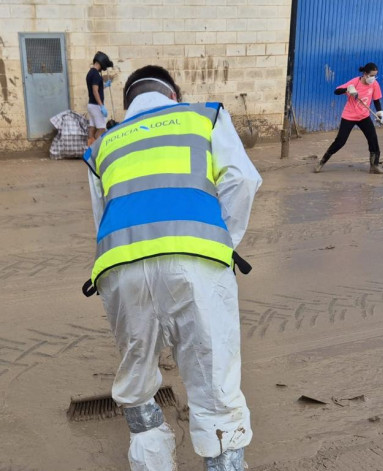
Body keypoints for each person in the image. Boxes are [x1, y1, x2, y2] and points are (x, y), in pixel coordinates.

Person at [82, 65, 261, 471]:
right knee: (215, 388)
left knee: (138, 387)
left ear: (127, 104)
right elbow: (241, 181)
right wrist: (222, 241)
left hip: (120, 268)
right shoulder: (204, 116)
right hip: (196, 263)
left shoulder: (102, 145)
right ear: (173, 94)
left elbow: (103, 219)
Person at [315, 62, 383, 174]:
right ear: (365, 74)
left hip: (364, 116)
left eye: (375, 76)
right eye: (371, 75)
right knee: (340, 141)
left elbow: (376, 100)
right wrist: (348, 89)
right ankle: (322, 162)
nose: (373, 78)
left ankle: (374, 166)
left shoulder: (375, 84)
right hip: (349, 116)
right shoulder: (355, 82)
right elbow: (336, 91)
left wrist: (379, 113)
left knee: (373, 139)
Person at [86, 51, 114, 146]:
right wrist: (101, 106)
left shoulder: (90, 73)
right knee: (101, 128)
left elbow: (97, 87)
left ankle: (89, 148)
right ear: (101, 63)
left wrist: (104, 85)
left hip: (91, 105)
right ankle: (97, 149)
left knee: (92, 127)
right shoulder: (96, 75)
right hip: (96, 105)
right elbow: (95, 91)